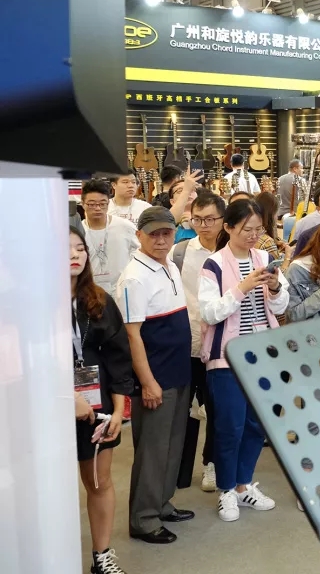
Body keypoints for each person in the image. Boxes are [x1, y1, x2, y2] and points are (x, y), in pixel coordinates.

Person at [198, 199, 288, 522]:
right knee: (230, 425)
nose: (253, 235)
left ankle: (243, 484)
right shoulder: (213, 264)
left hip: (262, 355)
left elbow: (280, 307)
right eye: (247, 229)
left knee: (256, 424)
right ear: (228, 228)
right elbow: (209, 312)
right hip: (227, 357)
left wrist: (276, 288)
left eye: (258, 229)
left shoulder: (263, 258)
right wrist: (241, 288)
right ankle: (226, 489)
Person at [116, 207, 194, 545]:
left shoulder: (170, 265)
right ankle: (143, 518)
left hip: (178, 371)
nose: (161, 240)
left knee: (172, 445)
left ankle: (162, 503)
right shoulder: (134, 277)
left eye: (166, 233)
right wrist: (147, 382)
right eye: (153, 234)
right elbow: (132, 335)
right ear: (139, 236)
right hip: (155, 376)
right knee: (152, 449)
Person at [71, 227, 135, 574]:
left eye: (79, 248)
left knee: (99, 481)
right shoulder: (29, 304)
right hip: (44, 410)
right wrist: (66, 398)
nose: (74, 254)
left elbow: (118, 357)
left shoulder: (99, 300)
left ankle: (102, 556)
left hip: (97, 409)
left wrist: (118, 409)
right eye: (65, 249)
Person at [170, 191, 225, 494]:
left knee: (216, 408)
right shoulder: (180, 251)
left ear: (223, 220)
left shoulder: (229, 253)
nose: (203, 225)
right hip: (187, 341)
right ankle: (180, 469)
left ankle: (211, 464)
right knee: (184, 409)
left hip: (219, 345)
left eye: (210, 219)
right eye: (198, 219)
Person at [81, 178, 140, 296]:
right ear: (83, 204)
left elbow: (140, 251)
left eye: (102, 204)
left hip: (122, 290)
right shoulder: (79, 231)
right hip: (90, 292)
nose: (98, 208)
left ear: (108, 203)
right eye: (92, 204)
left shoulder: (124, 226)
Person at [254, 191, 284, 260]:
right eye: (276, 212)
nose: (277, 216)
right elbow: (277, 266)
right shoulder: (266, 241)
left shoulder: (252, 234)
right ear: (271, 215)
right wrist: (288, 256)